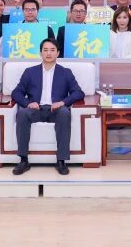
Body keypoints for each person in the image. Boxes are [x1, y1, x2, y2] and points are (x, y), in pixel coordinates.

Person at [10, 38, 84, 176]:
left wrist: (63, 102)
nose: (48, 53)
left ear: (58, 53)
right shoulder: (30, 72)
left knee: (64, 113)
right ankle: (23, 160)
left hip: (56, 110)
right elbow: (16, 92)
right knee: (22, 113)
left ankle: (61, 160)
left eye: (52, 50)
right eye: (45, 50)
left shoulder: (66, 72)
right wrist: (28, 103)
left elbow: (78, 92)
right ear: (40, 53)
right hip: (36, 109)